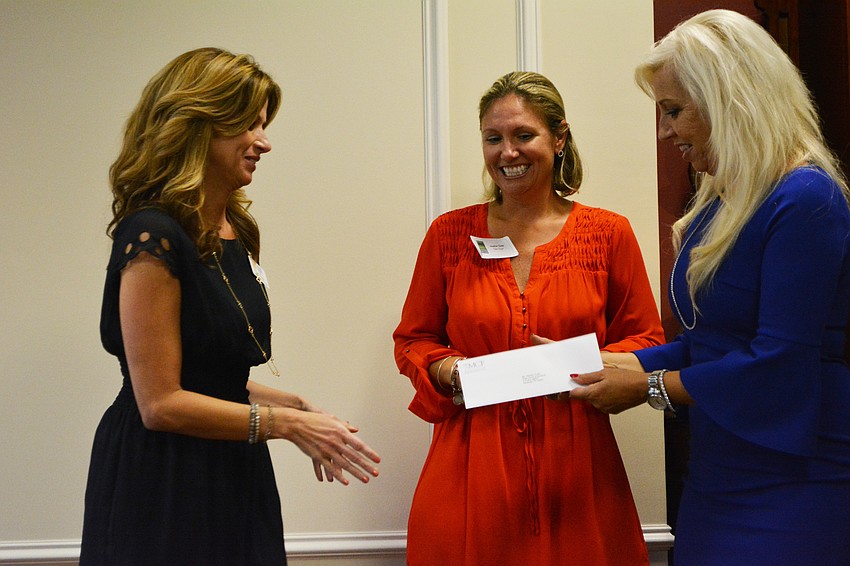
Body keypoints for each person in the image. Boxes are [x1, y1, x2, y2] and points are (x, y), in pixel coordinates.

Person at [568, 9, 850, 565]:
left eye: (674, 111)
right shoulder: (720, 202)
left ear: (730, 100)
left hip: (795, 474)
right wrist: (605, 363)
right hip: (716, 473)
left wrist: (648, 389)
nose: (663, 131)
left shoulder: (806, 199)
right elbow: (709, 344)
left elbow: (777, 361)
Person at [80, 47, 380, 565]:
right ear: (199, 125)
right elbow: (161, 404)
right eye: (249, 124)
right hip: (164, 480)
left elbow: (210, 371)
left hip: (234, 467)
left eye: (263, 124)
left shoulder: (235, 230)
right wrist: (287, 426)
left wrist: (298, 406)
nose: (263, 142)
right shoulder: (153, 234)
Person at [393, 71, 664, 565]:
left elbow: (647, 338)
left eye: (523, 135)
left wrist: (582, 363)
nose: (507, 153)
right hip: (469, 463)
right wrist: (447, 368)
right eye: (493, 138)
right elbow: (413, 338)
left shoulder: (608, 233)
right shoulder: (448, 235)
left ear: (559, 137)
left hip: (578, 467)